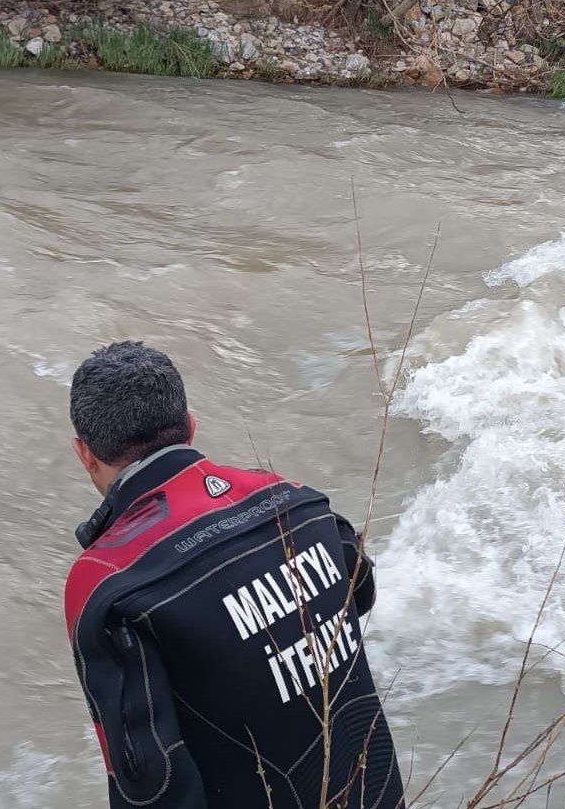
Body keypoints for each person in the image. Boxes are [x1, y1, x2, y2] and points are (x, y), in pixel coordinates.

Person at [63, 341, 405, 809]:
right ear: (190, 426)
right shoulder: (297, 501)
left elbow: (150, 783)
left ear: (85, 454)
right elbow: (360, 590)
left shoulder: (108, 582)